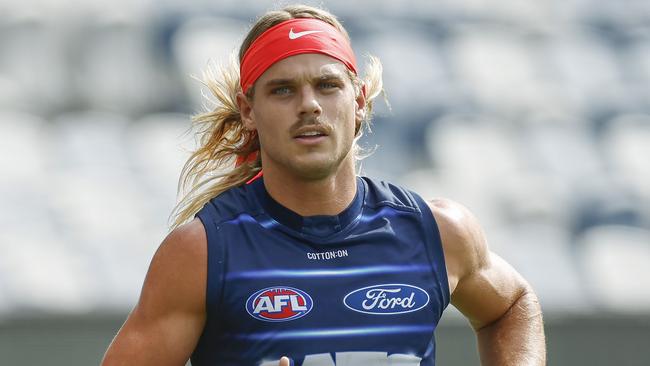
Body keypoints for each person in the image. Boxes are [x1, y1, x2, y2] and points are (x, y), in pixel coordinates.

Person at [102, 4, 545, 366]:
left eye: (327, 85)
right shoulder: (201, 253)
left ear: (359, 101)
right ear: (248, 110)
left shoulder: (438, 231)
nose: (309, 105)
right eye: (282, 90)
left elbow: (512, 306)